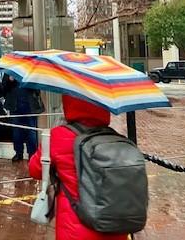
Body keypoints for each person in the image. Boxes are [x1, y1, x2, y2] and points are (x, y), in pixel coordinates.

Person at [28, 95, 126, 240]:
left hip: (74, 230)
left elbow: (35, 170)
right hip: (115, 230)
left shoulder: (58, 135)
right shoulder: (115, 138)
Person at [3, 73, 44, 161]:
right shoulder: (10, 71)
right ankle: (18, 153)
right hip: (15, 107)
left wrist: (30, 81)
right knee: (16, 132)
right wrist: (10, 81)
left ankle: (32, 154)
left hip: (30, 107)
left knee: (31, 132)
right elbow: (3, 90)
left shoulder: (31, 70)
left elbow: (37, 90)